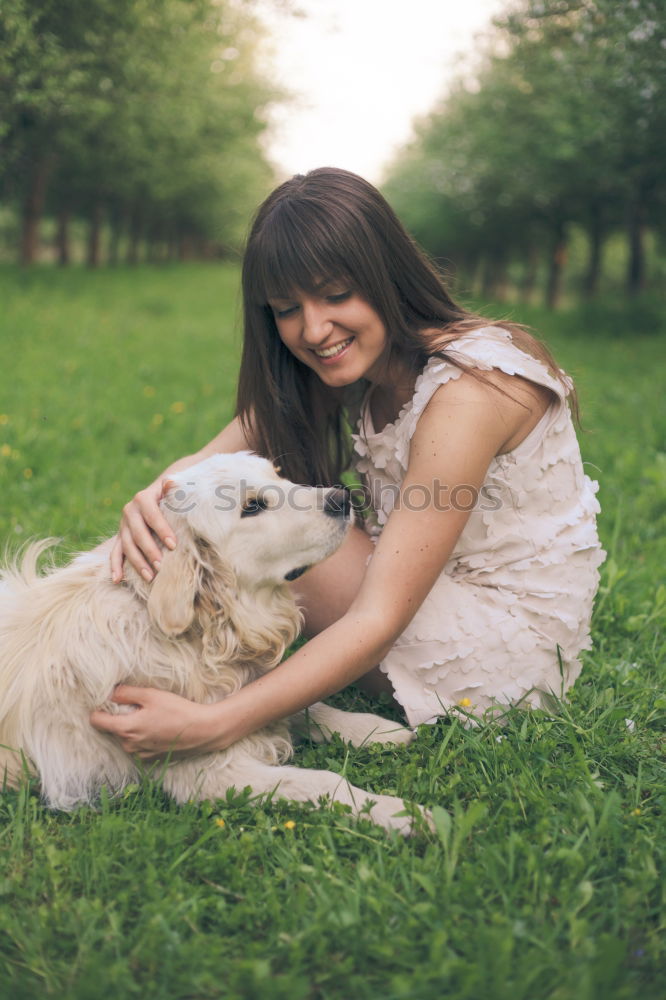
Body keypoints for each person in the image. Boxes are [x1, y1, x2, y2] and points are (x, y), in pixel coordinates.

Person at [90, 167, 605, 758]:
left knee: (271, 535)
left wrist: (218, 724)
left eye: (336, 295)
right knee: (232, 524)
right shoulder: (360, 361)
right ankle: (101, 656)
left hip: (499, 650)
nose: (313, 329)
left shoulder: (466, 394)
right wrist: (157, 495)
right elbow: (208, 465)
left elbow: (378, 615)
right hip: (425, 595)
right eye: (287, 308)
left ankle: (162, 689)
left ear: (385, 274)